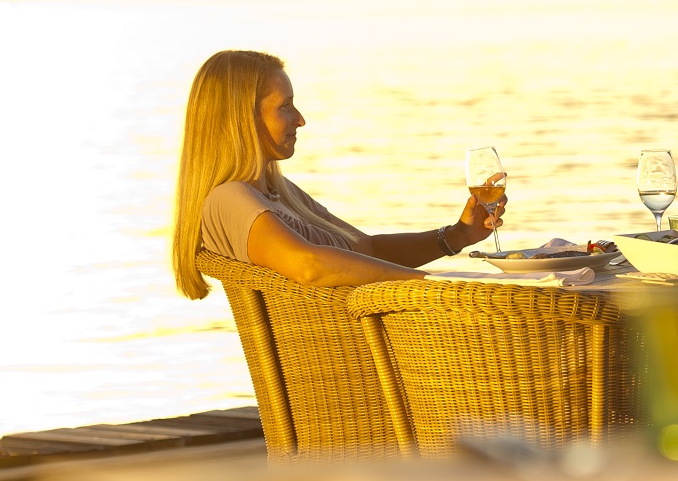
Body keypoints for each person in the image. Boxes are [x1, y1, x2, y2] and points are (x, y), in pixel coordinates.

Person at [171, 49, 505, 299]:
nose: (300, 119)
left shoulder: (278, 192)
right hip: (356, 369)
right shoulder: (229, 198)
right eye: (284, 107)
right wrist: (434, 285)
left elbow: (367, 251)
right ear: (241, 118)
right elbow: (309, 265)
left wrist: (456, 236)